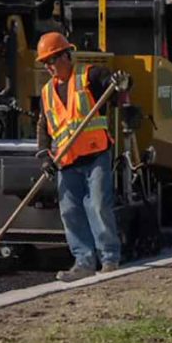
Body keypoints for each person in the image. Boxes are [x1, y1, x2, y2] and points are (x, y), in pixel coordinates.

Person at [35, 31, 128, 282]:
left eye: (52, 60)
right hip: (66, 161)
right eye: (45, 63)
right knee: (70, 212)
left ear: (67, 55)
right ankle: (84, 262)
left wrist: (121, 84)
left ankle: (109, 259)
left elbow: (116, 90)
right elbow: (44, 126)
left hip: (95, 154)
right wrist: (45, 156)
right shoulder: (46, 93)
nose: (49, 67)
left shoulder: (90, 76)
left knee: (98, 205)